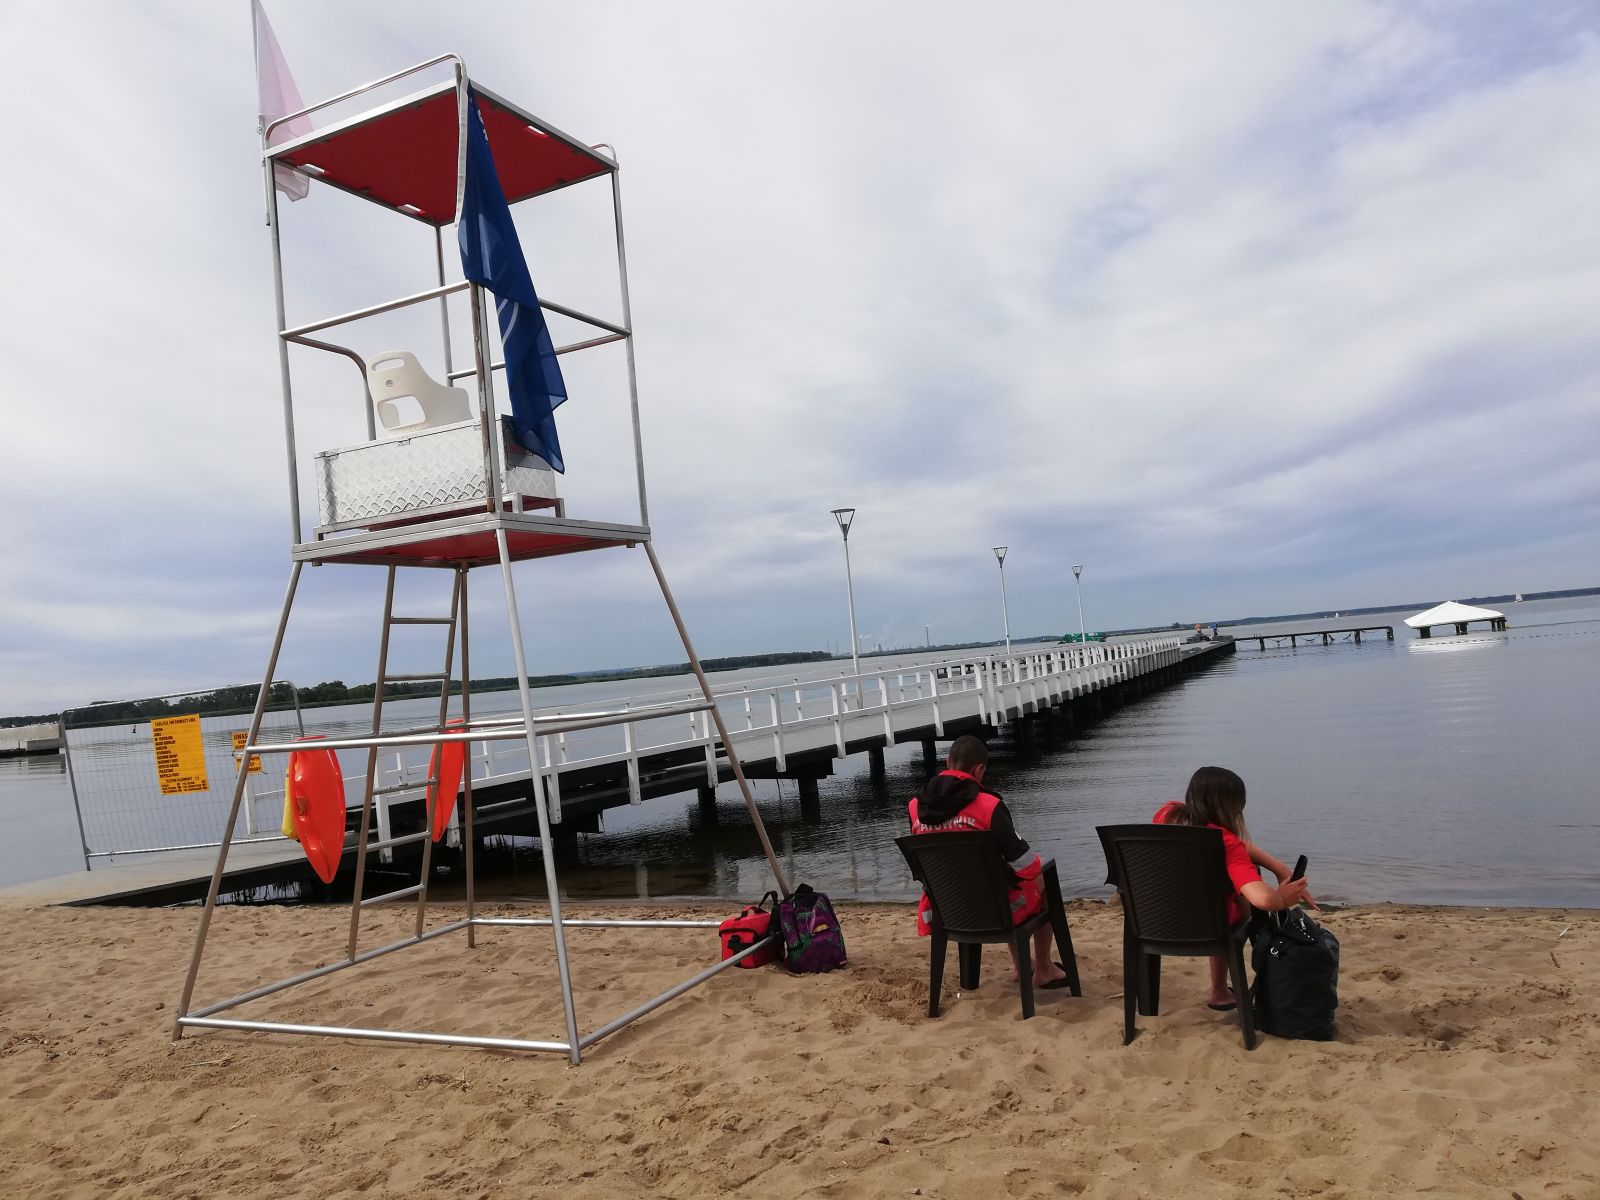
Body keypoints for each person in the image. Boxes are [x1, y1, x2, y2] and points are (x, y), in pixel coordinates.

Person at [907, 735, 1069, 989]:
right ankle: (1044, 969)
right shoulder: (988, 806)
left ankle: (1022, 966)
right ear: (979, 769)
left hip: (944, 911)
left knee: (1000, 882)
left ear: (948, 761)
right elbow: (1026, 867)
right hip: (995, 911)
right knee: (1039, 876)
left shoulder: (915, 807)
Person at [1154, 766, 1313, 1010]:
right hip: (1209, 928)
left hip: (1157, 922)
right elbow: (1262, 899)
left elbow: (1233, 842)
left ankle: (1212, 992)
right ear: (1233, 807)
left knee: (1217, 905)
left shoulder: (1167, 815)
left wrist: (1277, 866)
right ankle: (1219, 991)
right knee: (1234, 910)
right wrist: (1282, 898)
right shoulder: (1229, 847)